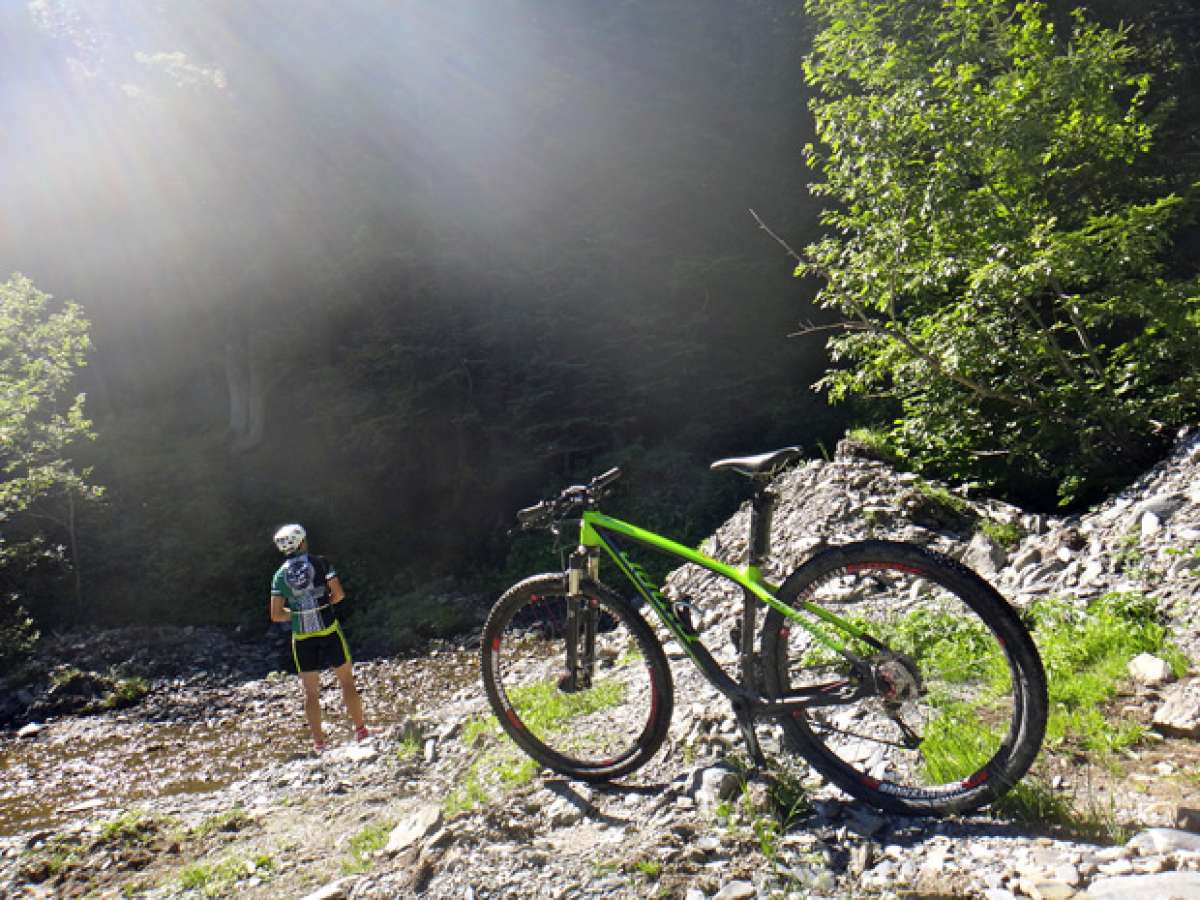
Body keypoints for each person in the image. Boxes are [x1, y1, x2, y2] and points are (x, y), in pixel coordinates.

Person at [269, 523, 368, 752]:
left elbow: (276, 615)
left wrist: (298, 614)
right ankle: (361, 730)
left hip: (302, 638)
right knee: (346, 681)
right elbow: (339, 594)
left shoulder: (279, 576)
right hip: (329, 630)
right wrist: (320, 606)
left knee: (311, 692)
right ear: (302, 541)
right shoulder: (321, 563)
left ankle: (319, 744)